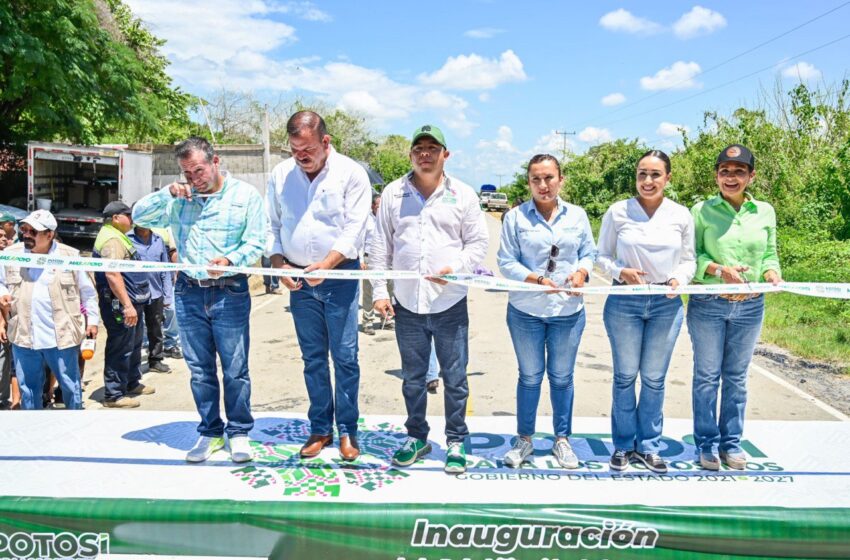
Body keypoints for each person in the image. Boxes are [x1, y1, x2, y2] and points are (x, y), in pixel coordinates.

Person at [134, 136, 266, 463]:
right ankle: (210, 432)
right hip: (189, 291)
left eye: (199, 170)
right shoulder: (178, 198)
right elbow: (139, 215)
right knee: (199, 369)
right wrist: (169, 192)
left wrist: (230, 261)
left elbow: (257, 241)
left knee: (235, 368)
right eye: (187, 173)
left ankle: (238, 432)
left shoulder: (245, 195)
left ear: (215, 161)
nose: (195, 179)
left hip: (230, 290)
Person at [369, 124, 489, 474]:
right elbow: (380, 247)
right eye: (419, 148)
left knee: (455, 377)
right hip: (407, 303)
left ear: (445, 155)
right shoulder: (394, 193)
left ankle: (455, 441)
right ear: (411, 154)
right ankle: (416, 437)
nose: (425, 154)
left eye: (432, 148)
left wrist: (457, 267)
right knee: (413, 377)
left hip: (449, 301)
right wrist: (379, 292)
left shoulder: (463, 194)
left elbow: (478, 243)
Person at [266, 111, 371, 461]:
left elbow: (355, 228)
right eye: (295, 150)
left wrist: (327, 265)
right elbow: (273, 224)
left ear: (326, 142)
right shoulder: (281, 175)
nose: (301, 156)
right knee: (313, 359)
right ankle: (320, 429)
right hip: (299, 282)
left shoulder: (351, 173)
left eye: (308, 149)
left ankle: (348, 431)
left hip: (339, 277)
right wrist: (278, 263)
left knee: (345, 358)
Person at [597, 150, 696, 474]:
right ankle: (624, 446)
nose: (648, 181)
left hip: (666, 305)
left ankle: (650, 446)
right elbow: (601, 256)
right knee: (625, 376)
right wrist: (621, 271)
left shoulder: (680, 215)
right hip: (624, 301)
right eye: (642, 174)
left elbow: (689, 260)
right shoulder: (618, 212)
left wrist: (678, 279)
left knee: (654, 379)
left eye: (655, 174)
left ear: (668, 178)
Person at [497, 154, 596, 469]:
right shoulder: (514, 218)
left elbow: (588, 252)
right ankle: (524, 440)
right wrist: (537, 279)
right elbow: (506, 261)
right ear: (528, 182)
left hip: (567, 312)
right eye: (536, 179)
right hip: (526, 310)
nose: (543, 185)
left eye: (549, 177)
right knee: (529, 376)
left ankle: (562, 440)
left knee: (562, 377)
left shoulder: (577, 216)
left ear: (561, 179)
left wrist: (581, 273)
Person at [688, 144, 781, 471]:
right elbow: (691, 256)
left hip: (750, 307)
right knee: (706, 376)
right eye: (725, 171)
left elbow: (770, 252)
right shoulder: (701, 210)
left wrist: (772, 271)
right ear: (716, 175)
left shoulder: (765, 211)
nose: (731, 177)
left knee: (737, 377)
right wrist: (718, 270)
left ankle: (731, 443)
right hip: (708, 304)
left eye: (739, 171)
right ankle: (706, 444)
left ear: (751, 176)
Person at [0, 210, 99, 410]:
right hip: (24, 335)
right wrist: (2, 293)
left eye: (33, 231)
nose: (26, 234)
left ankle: (74, 426)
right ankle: (35, 433)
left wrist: (93, 322)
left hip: (61, 337)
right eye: (24, 229)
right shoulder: (11, 255)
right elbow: (1, 281)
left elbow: (88, 292)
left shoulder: (70, 256)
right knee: (28, 389)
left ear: (49, 234)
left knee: (70, 387)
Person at [94, 201, 155, 408]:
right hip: (119, 303)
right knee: (121, 345)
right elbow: (112, 273)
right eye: (127, 215)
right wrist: (127, 305)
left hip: (131, 300)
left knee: (134, 342)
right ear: (115, 218)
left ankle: (130, 382)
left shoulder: (117, 236)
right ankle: (114, 395)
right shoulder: (111, 239)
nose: (131, 219)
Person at [129, 225, 173, 374]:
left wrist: (167, 294)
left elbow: (165, 268)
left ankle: (155, 360)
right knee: (134, 331)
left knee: (156, 327)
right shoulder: (127, 239)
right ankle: (132, 367)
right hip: (135, 294)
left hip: (156, 293)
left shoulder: (158, 240)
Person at [0, 214, 20, 409]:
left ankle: (9, 402)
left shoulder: (12, 256)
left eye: (4, 236)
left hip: (12, 318)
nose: (4, 239)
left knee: (9, 363)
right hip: (5, 319)